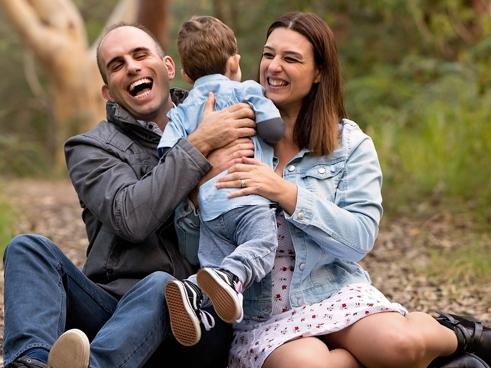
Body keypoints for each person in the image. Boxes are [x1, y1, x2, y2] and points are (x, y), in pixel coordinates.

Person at [213, 11, 491, 368]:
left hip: (333, 291)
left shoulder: (350, 144)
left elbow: (359, 238)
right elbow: (203, 232)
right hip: (265, 314)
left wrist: (286, 193)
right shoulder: (235, 134)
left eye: (290, 58)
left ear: (318, 74)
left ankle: (463, 333)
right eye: (268, 55)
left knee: (400, 345)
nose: (273, 67)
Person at [2, 23, 256, 368]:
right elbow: (130, 217)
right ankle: (30, 363)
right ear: (108, 92)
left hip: (195, 319)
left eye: (140, 54)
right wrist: (198, 146)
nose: (132, 67)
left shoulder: (222, 114)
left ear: (168, 67)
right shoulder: (90, 148)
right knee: (28, 248)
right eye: (117, 64)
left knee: (162, 287)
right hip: (111, 311)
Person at [157, 15, 284, 347]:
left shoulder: (181, 110)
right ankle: (232, 276)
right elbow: (274, 131)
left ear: (185, 74)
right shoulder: (247, 90)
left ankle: (193, 292)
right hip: (248, 198)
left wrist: (203, 141)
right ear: (235, 61)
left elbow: (170, 156)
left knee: (210, 266)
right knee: (261, 247)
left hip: (209, 210)